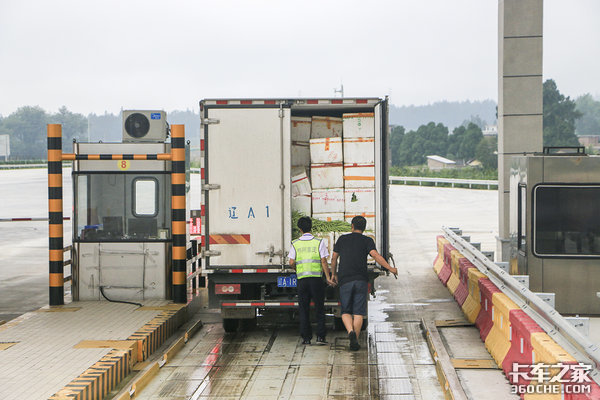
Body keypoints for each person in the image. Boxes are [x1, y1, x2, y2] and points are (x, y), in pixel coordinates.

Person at [331, 216, 398, 351]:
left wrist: (333, 274)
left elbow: (334, 258)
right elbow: (376, 256)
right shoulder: (367, 240)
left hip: (345, 279)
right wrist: (390, 268)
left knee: (345, 311)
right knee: (359, 312)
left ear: (352, 226)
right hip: (361, 279)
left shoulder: (342, 239)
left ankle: (350, 332)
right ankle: (354, 339)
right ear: (364, 228)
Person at [289, 216, 334, 345]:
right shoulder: (319, 242)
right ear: (311, 227)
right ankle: (320, 336)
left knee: (303, 309)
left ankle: (306, 338)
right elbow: (324, 261)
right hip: (316, 280)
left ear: (300, 229)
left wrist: (297, 269)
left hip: (302, 280)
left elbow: (291, 261)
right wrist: (327, 277)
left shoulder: (295, 243)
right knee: (319, 308)